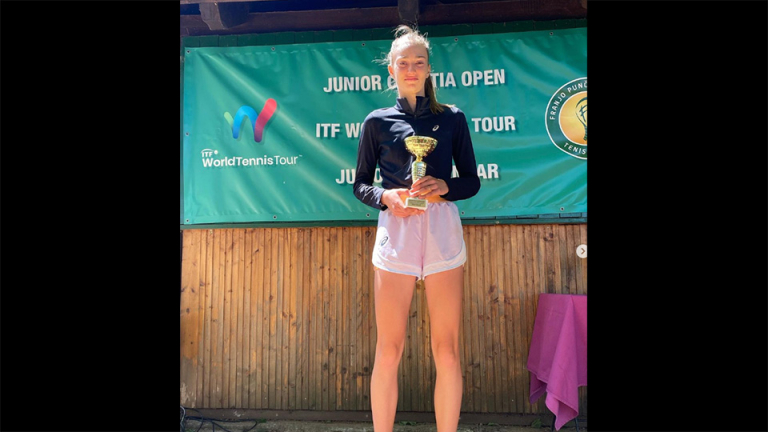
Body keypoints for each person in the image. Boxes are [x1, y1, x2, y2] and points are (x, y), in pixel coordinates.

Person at [353, 25, 481, 432]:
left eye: (418, 62)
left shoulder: (453, 118)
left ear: (428, 68)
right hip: (397, 229)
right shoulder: (376, 122)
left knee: (447, 350)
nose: (411, 69)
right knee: (389, 349)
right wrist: (386, 197)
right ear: (390, 69)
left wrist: (445, 186)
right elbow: (360, 184)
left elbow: (472, 181)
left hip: (442, 228)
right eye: (403, 63)